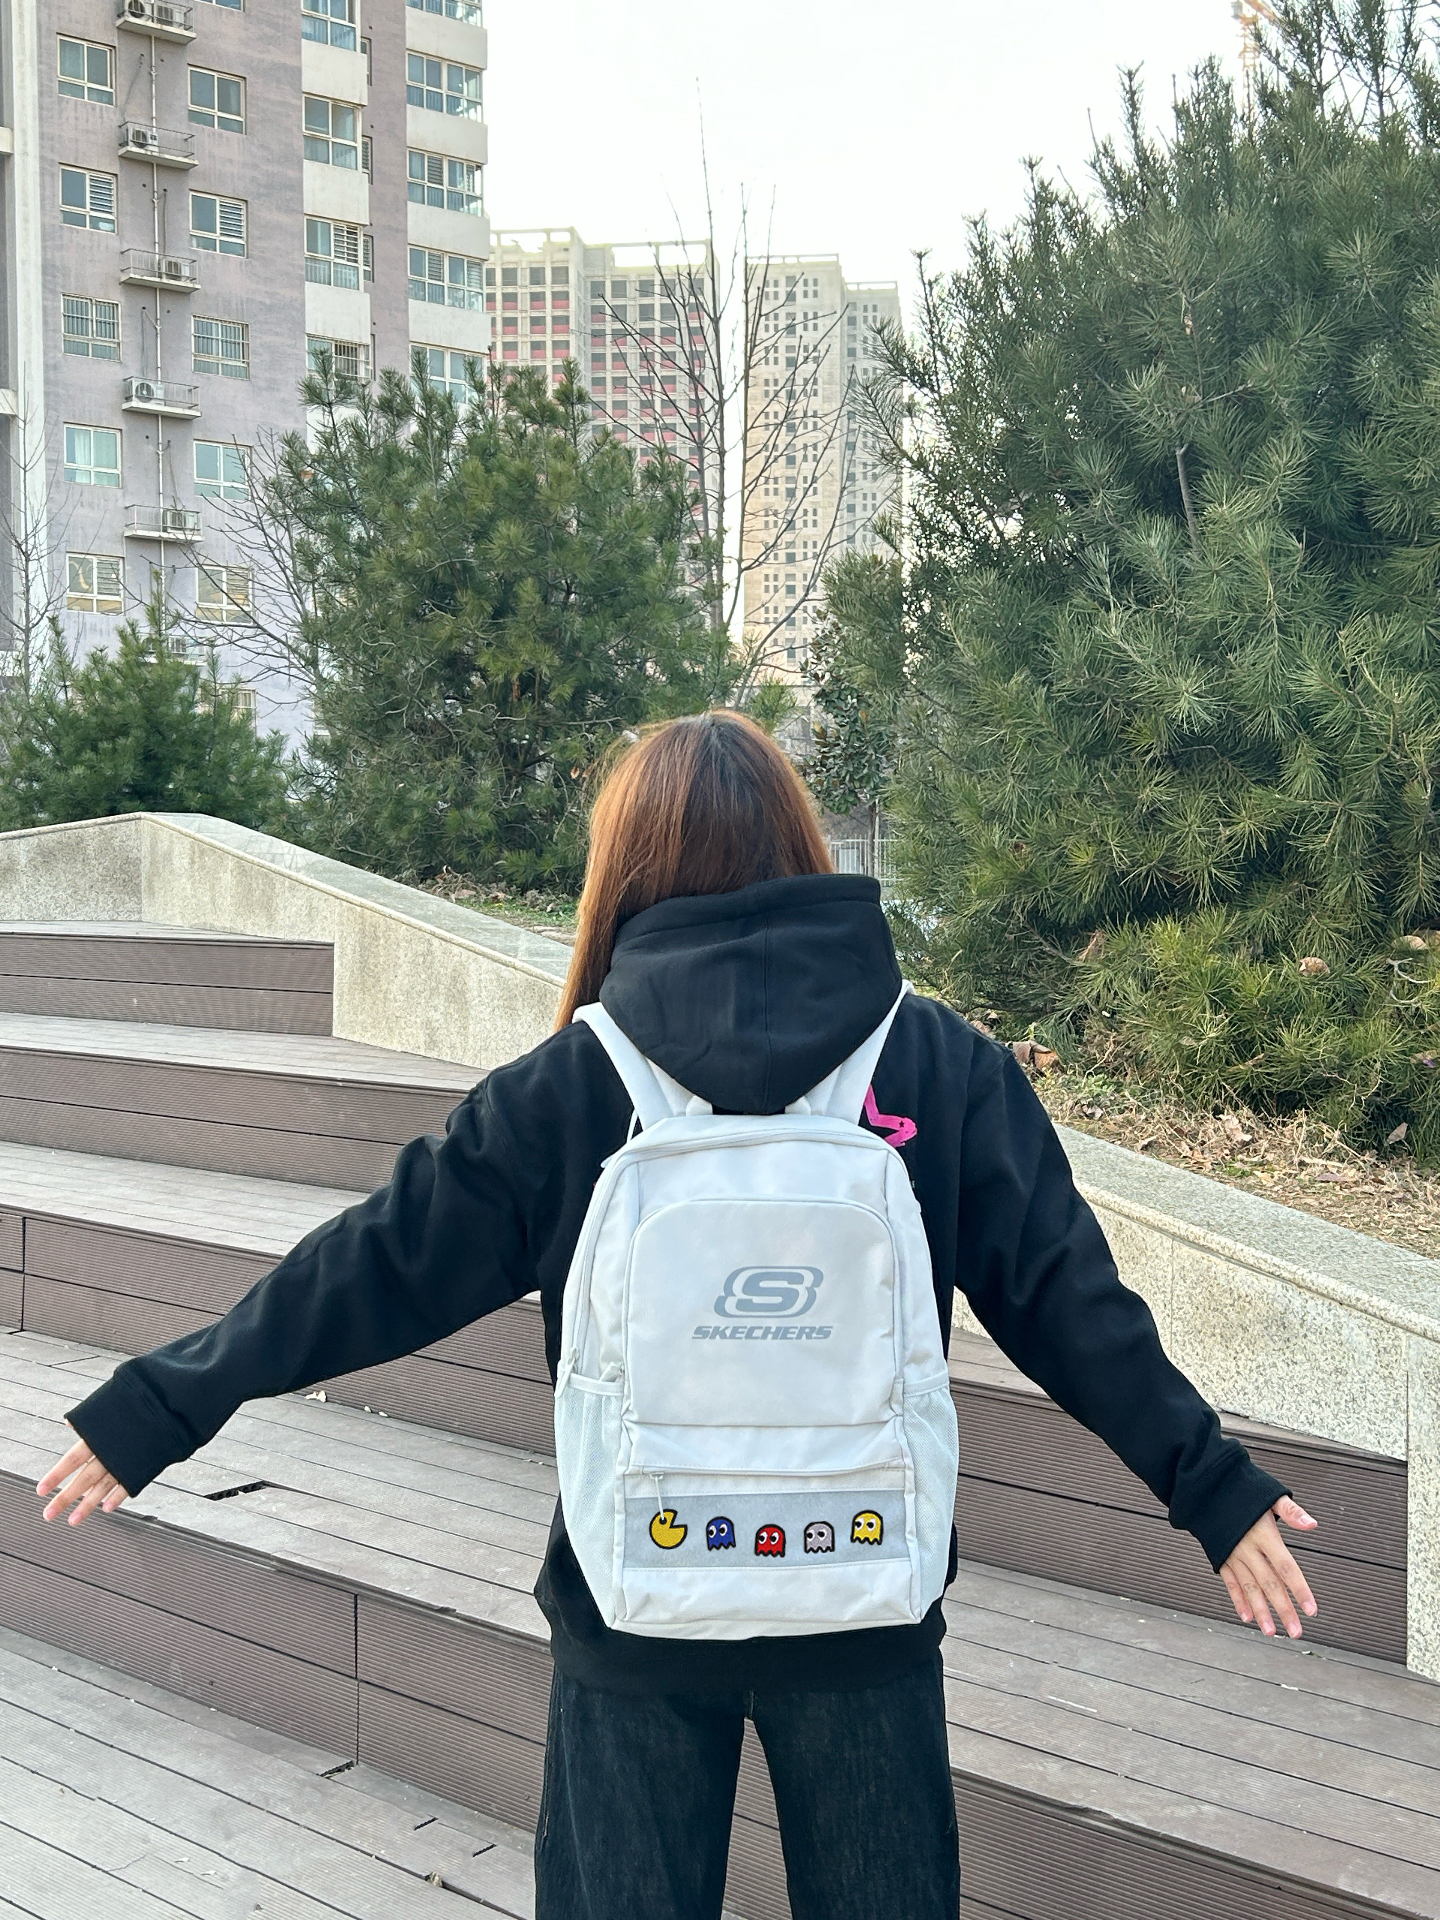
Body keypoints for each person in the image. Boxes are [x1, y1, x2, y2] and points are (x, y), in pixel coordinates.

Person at [35, 710, 1318, 1920]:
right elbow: (1069, 1301)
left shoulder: (574, 1085)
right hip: (861, 1585)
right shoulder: (934, 1063)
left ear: (627, 868)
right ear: (803, 847)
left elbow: (375, 1266)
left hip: (638, 1589)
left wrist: (166, 1403)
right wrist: (1211, 1488)